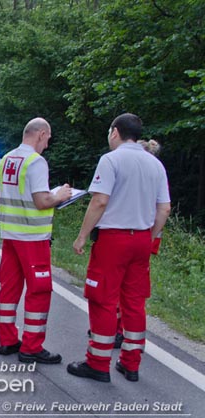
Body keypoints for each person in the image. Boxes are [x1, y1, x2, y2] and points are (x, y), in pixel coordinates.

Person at [68, 114, 171, 383]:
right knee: (134, 302)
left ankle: (98, 362)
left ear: (115, 132)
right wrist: (150, 235)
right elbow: (164, 209)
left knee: (102, 298)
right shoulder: (155, 164)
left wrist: (82, 235)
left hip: (113, 239)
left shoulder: (111, 160)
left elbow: (100, 201)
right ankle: (130, 362)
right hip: (141, 240)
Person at [0, 117, 72, 364]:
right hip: (32, 237)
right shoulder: (36, 162)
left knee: (9, 287)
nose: (47, 144)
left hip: (10, 235)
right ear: (40, 134)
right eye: (48, 138)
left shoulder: (6, 159)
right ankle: (31, 346)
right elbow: (41, 201)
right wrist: (59, 195)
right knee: (39, 290)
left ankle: (7, 341)